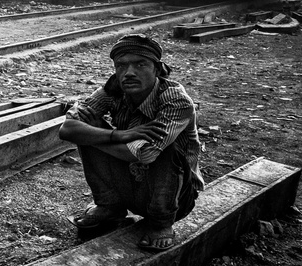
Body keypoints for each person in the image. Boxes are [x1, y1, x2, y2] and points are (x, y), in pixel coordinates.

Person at [58, 34, 203, 252]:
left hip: (175, 196)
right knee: (88, 128)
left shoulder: (176, 100)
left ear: (157, 69)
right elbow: (67, 129)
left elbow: (144, 154)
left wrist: (96, 136)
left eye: (140, 64)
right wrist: (119, 135)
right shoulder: (112, 90)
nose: (129, 73)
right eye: (121, 66)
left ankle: (161, 224)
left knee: (165, 147)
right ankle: (109, 207)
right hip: (131, 183)